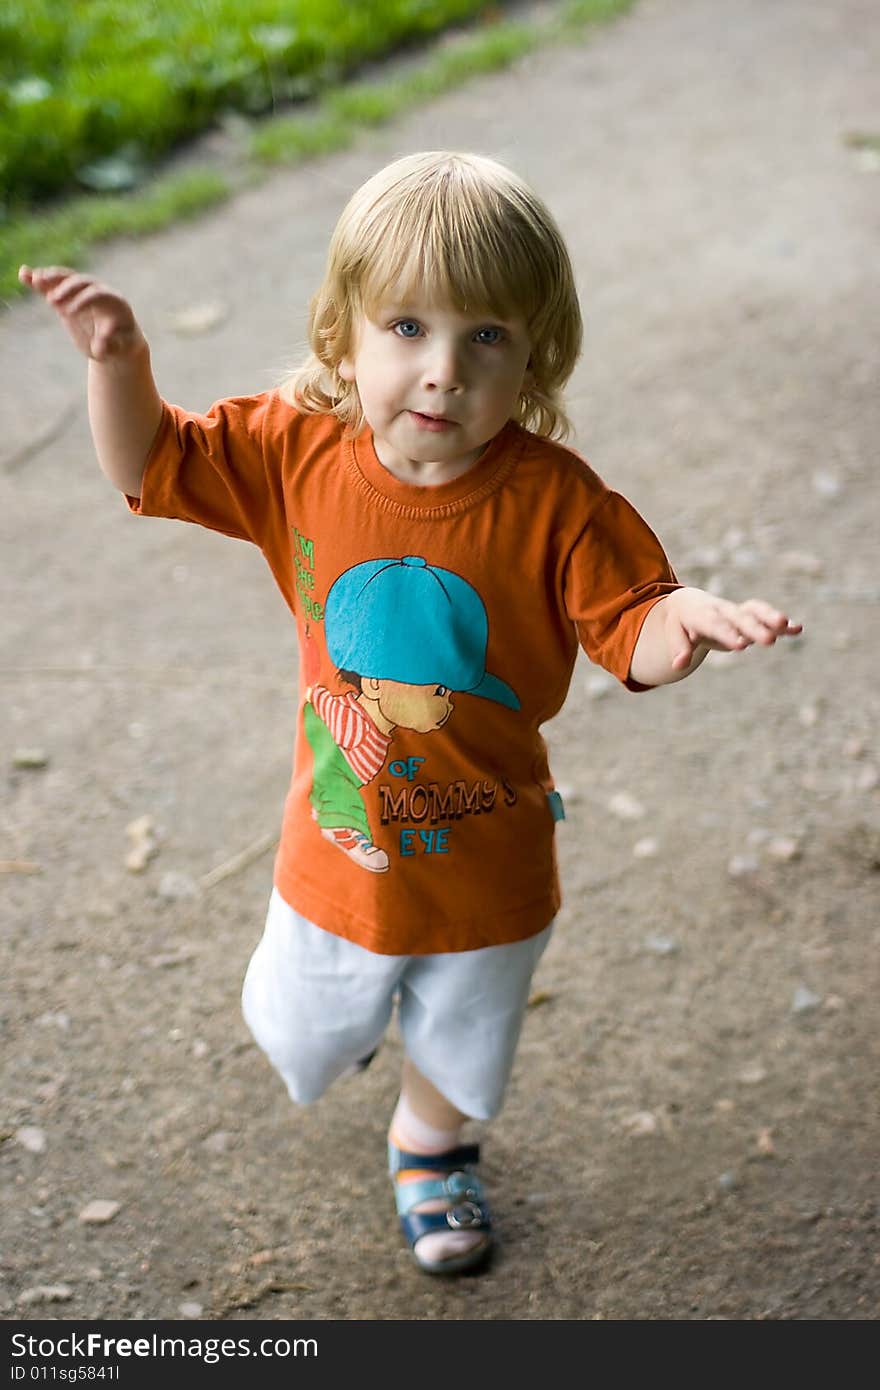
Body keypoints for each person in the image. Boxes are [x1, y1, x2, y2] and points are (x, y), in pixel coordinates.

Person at [19, 149, 801, 1277]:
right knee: (306, 1034)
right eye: (406, 328)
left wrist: (686, 623)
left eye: (485, 337)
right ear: (341, 334)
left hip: (489, 851)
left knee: (465, 1039)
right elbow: (151, 459)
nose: (442, 371)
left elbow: (634, 617)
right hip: (341, 844)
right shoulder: (296, 449)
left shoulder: (555, 500)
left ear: (535, 355)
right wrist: (121, 363)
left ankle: (430, 1149)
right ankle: (355, 1040)